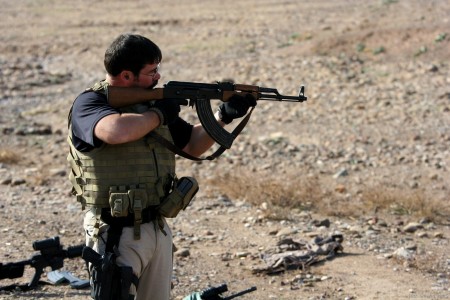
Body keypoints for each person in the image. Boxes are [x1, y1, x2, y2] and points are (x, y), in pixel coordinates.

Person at [67, 33, 256, 300]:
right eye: (151, 71)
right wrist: (159, 114)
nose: (158, 77)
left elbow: (191, 145)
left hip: (155, 225)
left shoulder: (150, 105)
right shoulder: (90, 103)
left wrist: (223, 116)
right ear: (126, 76)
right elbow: (116, 131)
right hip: (114, 231)